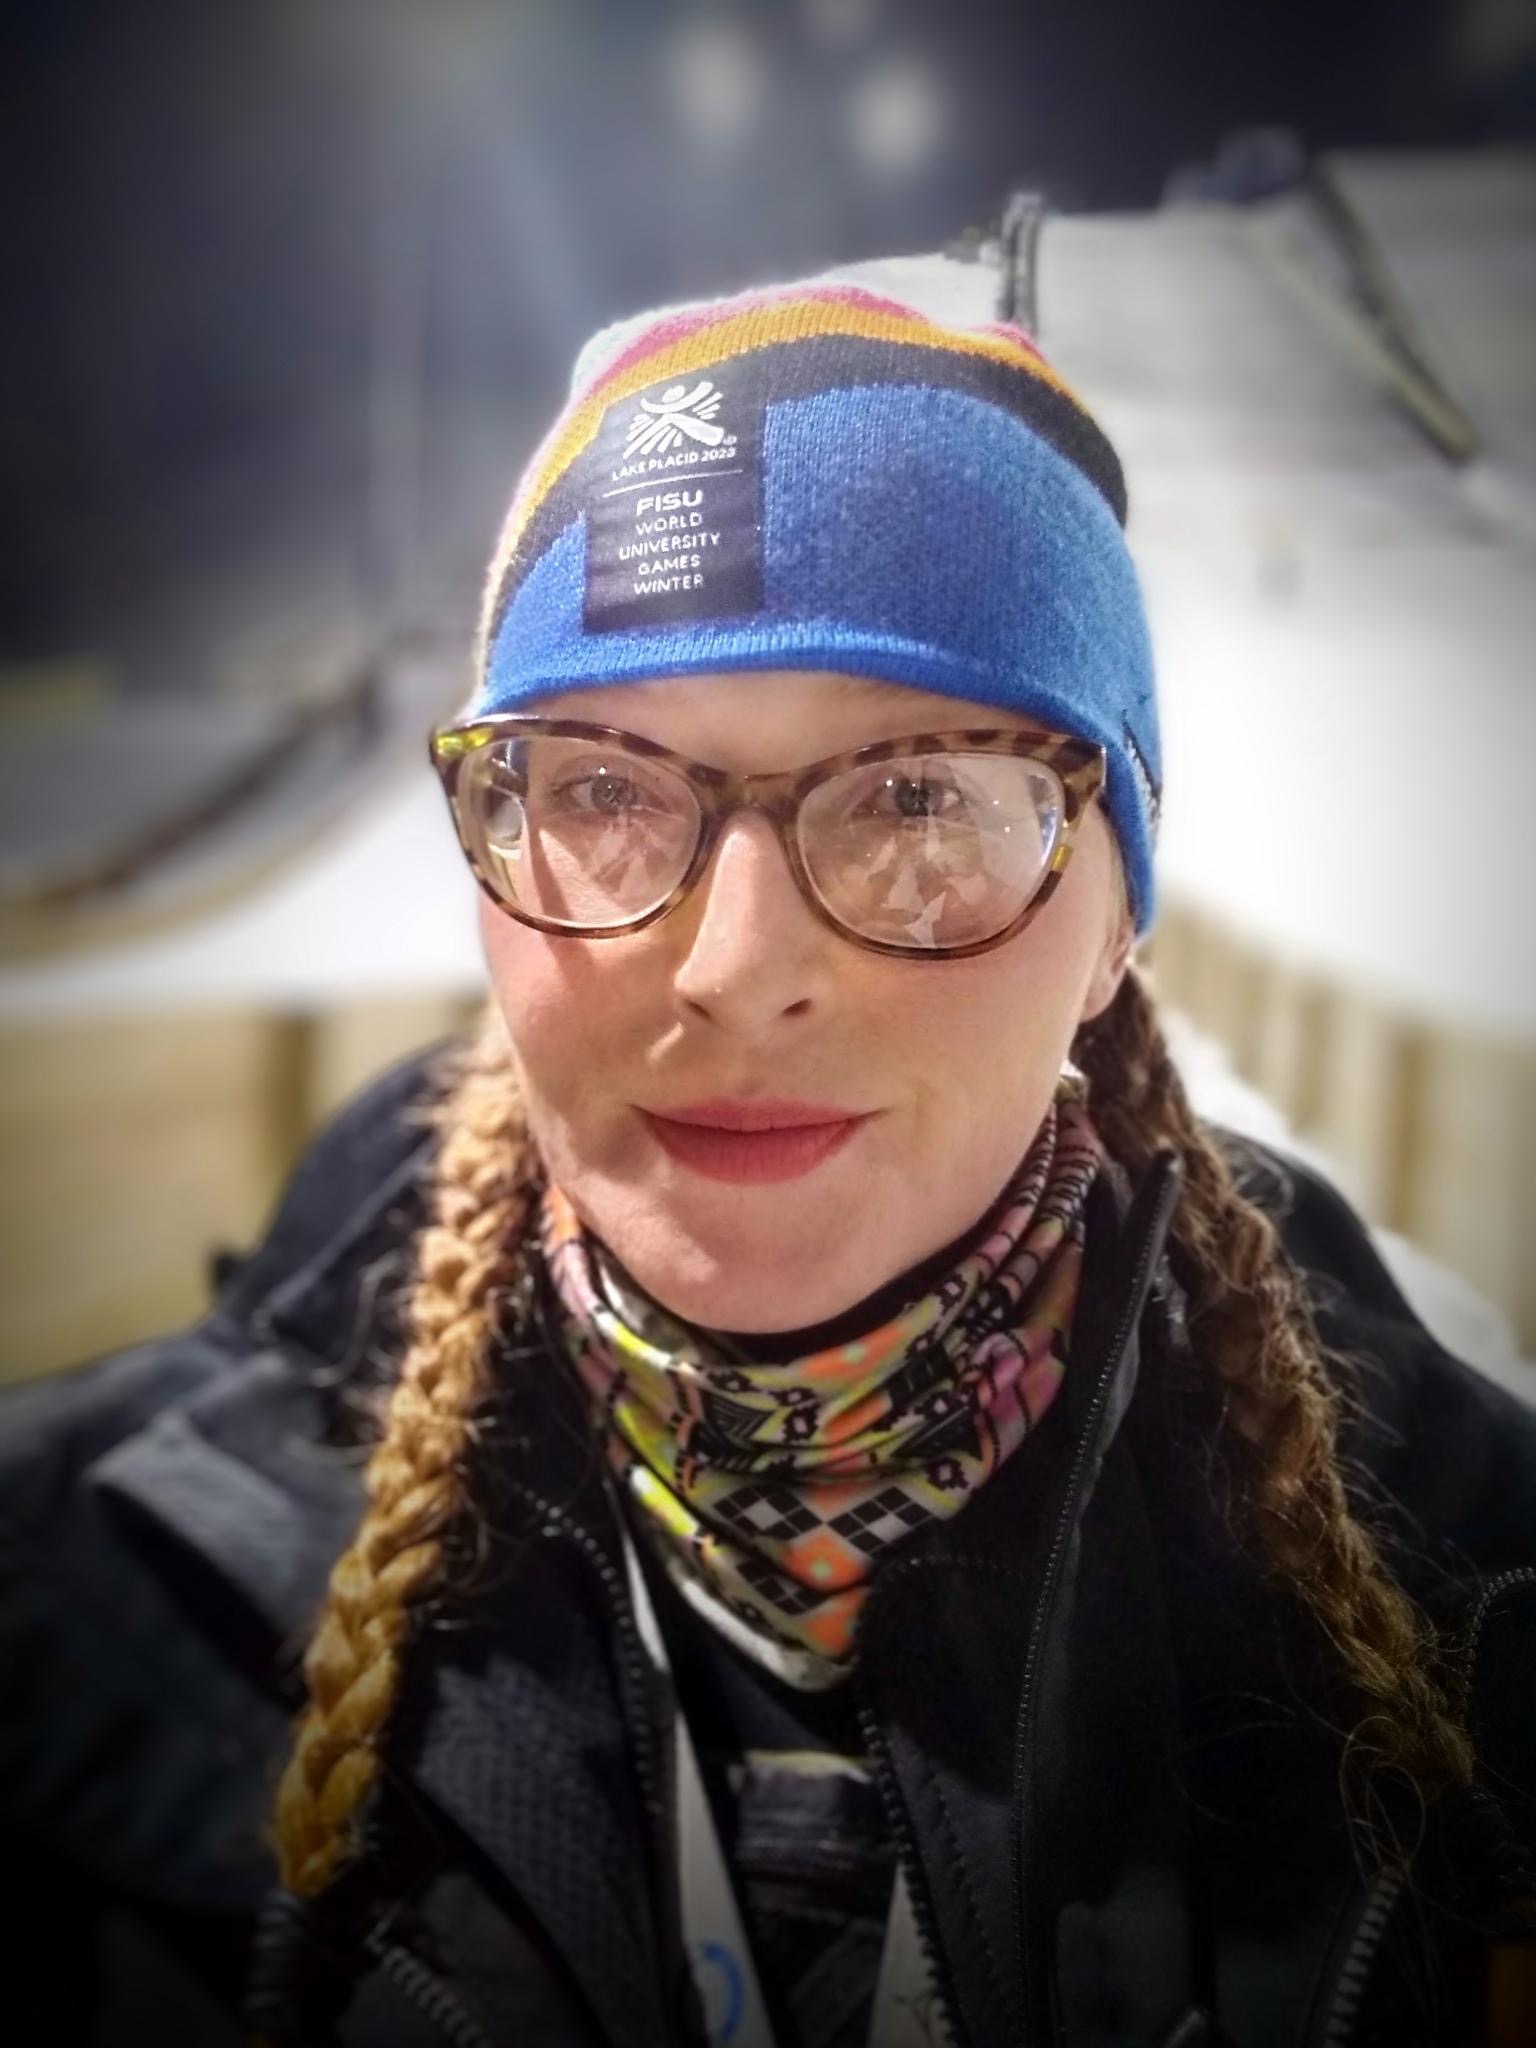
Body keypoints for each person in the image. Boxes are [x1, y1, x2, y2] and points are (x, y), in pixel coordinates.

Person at [5, 276, 1535, 2048]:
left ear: (1118, 916)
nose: (735, 970)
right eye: (602, 789)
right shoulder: (91, 1602)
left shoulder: (1475, 1608)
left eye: (917, 799)